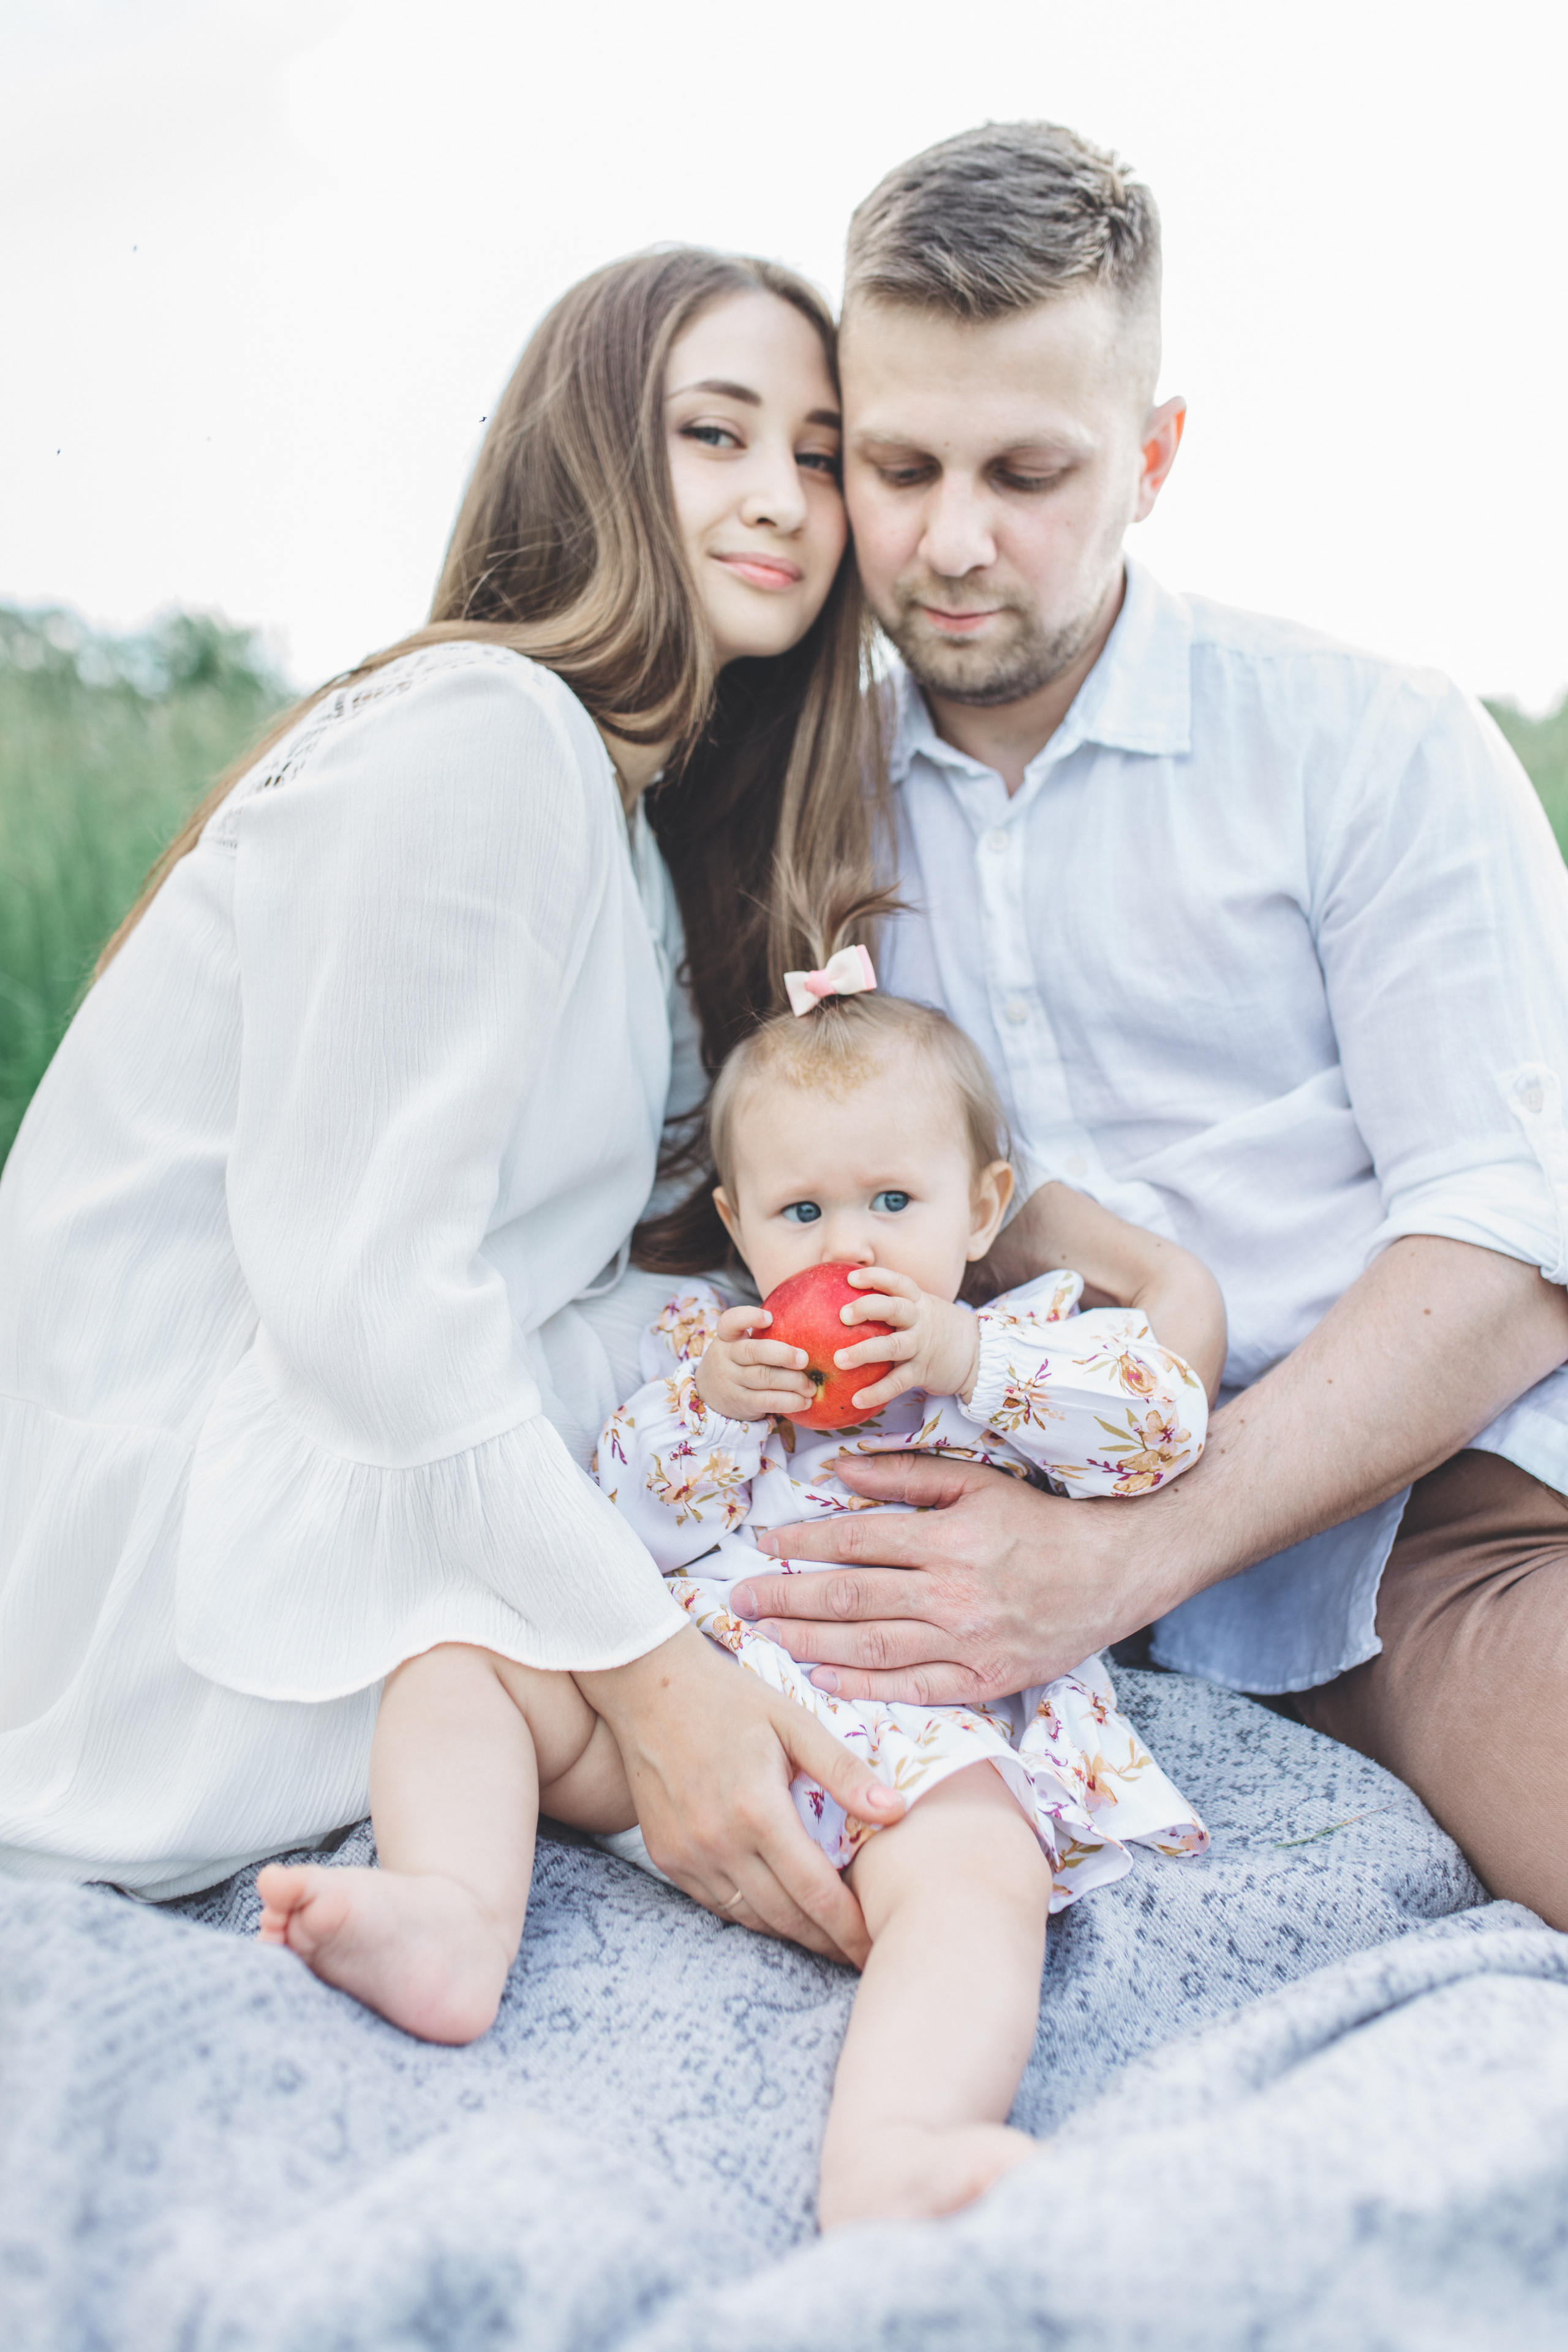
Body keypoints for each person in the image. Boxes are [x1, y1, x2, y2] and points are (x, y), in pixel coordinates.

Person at [0, 248, 909, 1968]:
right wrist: (656, 1678)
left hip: (285, 1466)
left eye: (816, 452)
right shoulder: (484, 735)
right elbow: (367, 1301)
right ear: (592, 459)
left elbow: (580, 1280)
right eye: (715, 434)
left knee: (750, 1387)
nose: (782, 498)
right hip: (153, 1590)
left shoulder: (626, 810)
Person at [722, 123, 1568, 1931]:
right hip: (976, 1508)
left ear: (1156, 456)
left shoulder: (1376, 744)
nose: (955, 542)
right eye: (900, 467)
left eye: (1030, 470)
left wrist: (1115, 1563)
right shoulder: (806, 817)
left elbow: (1505, 1249)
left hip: (1426, 1527)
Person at [588, 948, 1212, 2224]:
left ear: (981, 1210)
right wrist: (707, 1413)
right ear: (738, 1227)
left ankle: (899, 2146)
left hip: (912, 1754)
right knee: (463, 1663)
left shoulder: (1029, 1341)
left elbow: (1163, 1424)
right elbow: (622, 1522)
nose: (849, 1251)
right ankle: (445, 1900)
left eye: (891, 1202)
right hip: (700, 1718)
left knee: (977, 1882)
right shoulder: (717, 1356)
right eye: (801, 1216)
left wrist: (969, 1357)